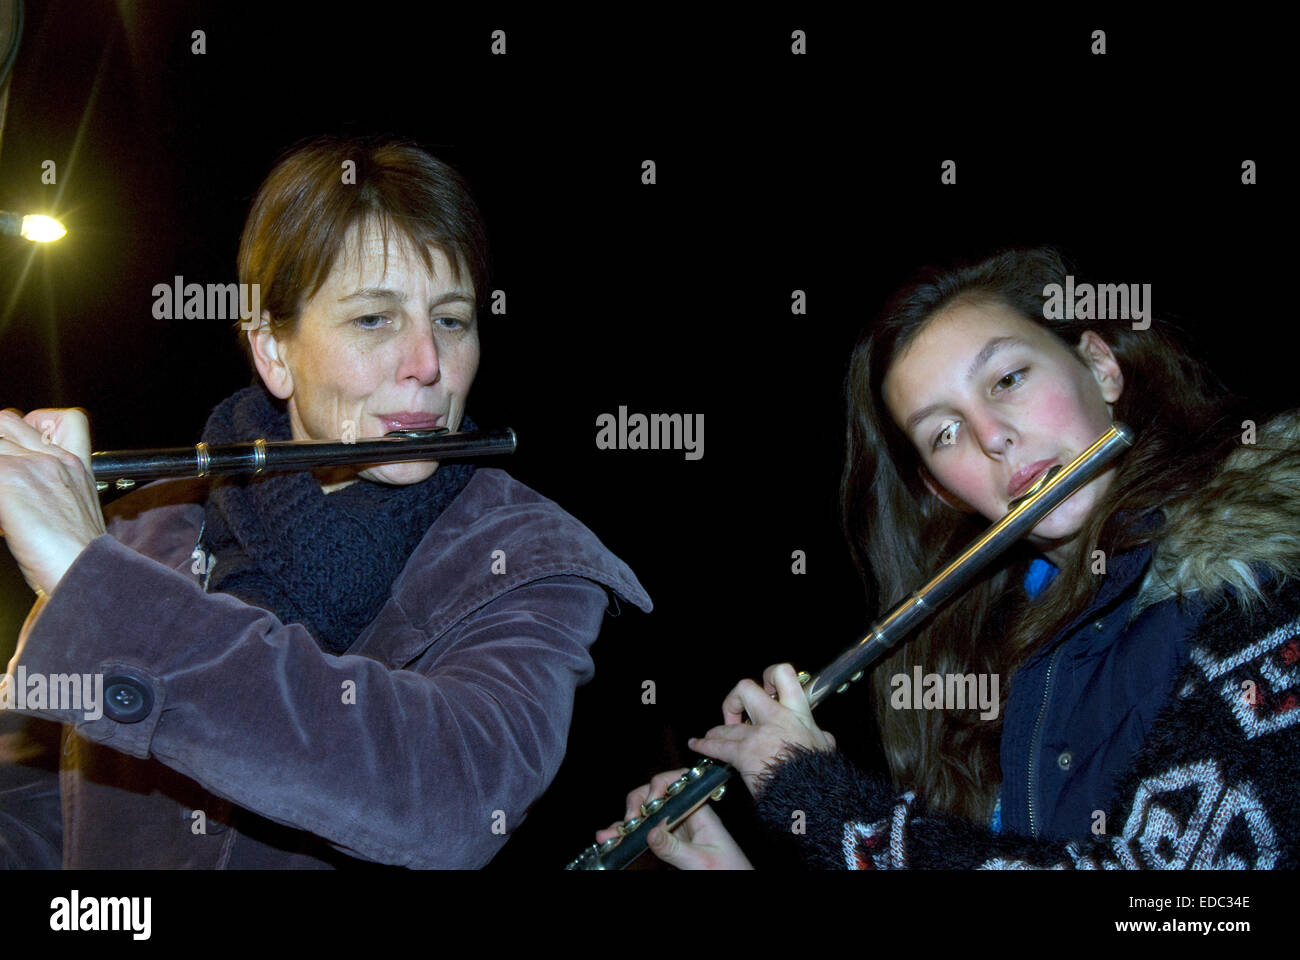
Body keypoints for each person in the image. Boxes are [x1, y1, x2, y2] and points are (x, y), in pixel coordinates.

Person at [0, 135, 651, 869]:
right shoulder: (140, 528)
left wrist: (103, 590)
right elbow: (40, 814)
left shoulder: (528, 560)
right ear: (274, 352)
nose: (428, 364)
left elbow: (458, 794)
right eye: (374, 319)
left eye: (451, 319)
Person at [599, 246, 1299, 869]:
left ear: (1101, 365)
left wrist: (811, 789)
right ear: (941, 489)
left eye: (1007, 379)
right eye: (944, 433)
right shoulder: (1011, 661)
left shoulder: (1266, 582)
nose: (992, 437)